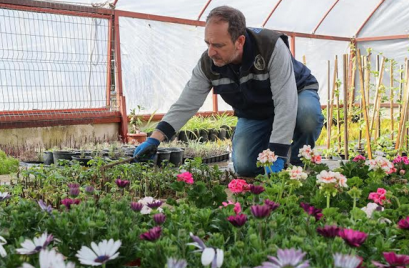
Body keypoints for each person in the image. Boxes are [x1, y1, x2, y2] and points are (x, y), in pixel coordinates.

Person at [133, 6, 324, 177]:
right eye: (208, 43)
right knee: (244, 166)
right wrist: (154, 139)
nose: (210, 52)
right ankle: (285, 155)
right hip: (257, 110)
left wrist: (278, 152)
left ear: (239, 41)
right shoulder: (208, 63)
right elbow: (187, 102)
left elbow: (286, 102)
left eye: (218, 45)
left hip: (296, 94)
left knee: (308, 116)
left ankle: (299, 163)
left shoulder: (271, 48)